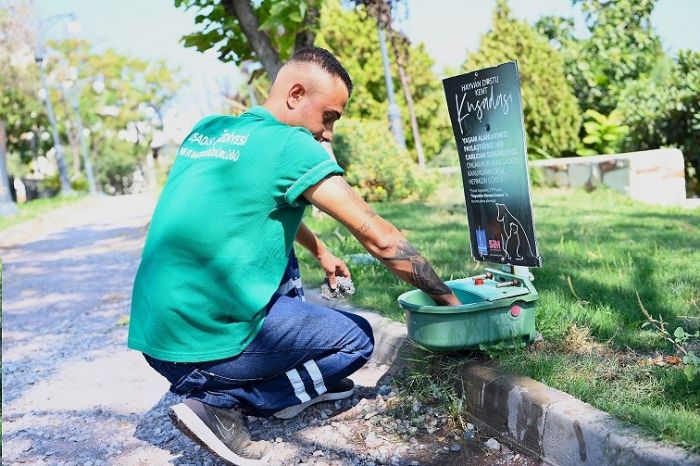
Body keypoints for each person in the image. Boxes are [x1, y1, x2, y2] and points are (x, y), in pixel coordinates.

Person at [128, 46, 460, 465]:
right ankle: (222, 406)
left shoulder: (208, 130)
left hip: (155, 338)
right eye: (329, 117)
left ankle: (289, 375)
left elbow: (253, 210)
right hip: (202, 350)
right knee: (356, 340)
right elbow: (380, 239)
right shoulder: (292, 146)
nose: (328, 134)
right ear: (296, 93)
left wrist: (320, 248)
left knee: (283, 258)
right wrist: (450, 302)